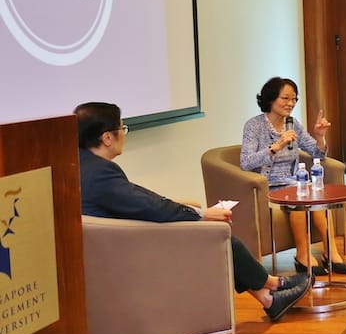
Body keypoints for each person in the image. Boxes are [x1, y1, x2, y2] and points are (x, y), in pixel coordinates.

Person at [75, 102, 308, 322]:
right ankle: (273, 284)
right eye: (122, 128)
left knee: (216, 234)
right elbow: (147, 205)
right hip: (133, 251)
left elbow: (138, 198)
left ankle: (269, 298)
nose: (124, 134)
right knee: (221, 238)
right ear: (107, 137)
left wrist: (191, 209)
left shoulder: (81, 165)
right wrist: (201, 214)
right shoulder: (102, 174)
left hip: (118, 244)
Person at [241, 76, 346, 276]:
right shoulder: (254, 126)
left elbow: (318, 154)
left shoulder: (292, 123)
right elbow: (246, 162)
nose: (290, 103)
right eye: (285, 98)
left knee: (317, 199)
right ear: (271, 99)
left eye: (294, 99)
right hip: (269, 185)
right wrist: (276, 147)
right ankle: (302, 255)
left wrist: (320, 136)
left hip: (295, 181)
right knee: (299, 200)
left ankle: (330, 251)